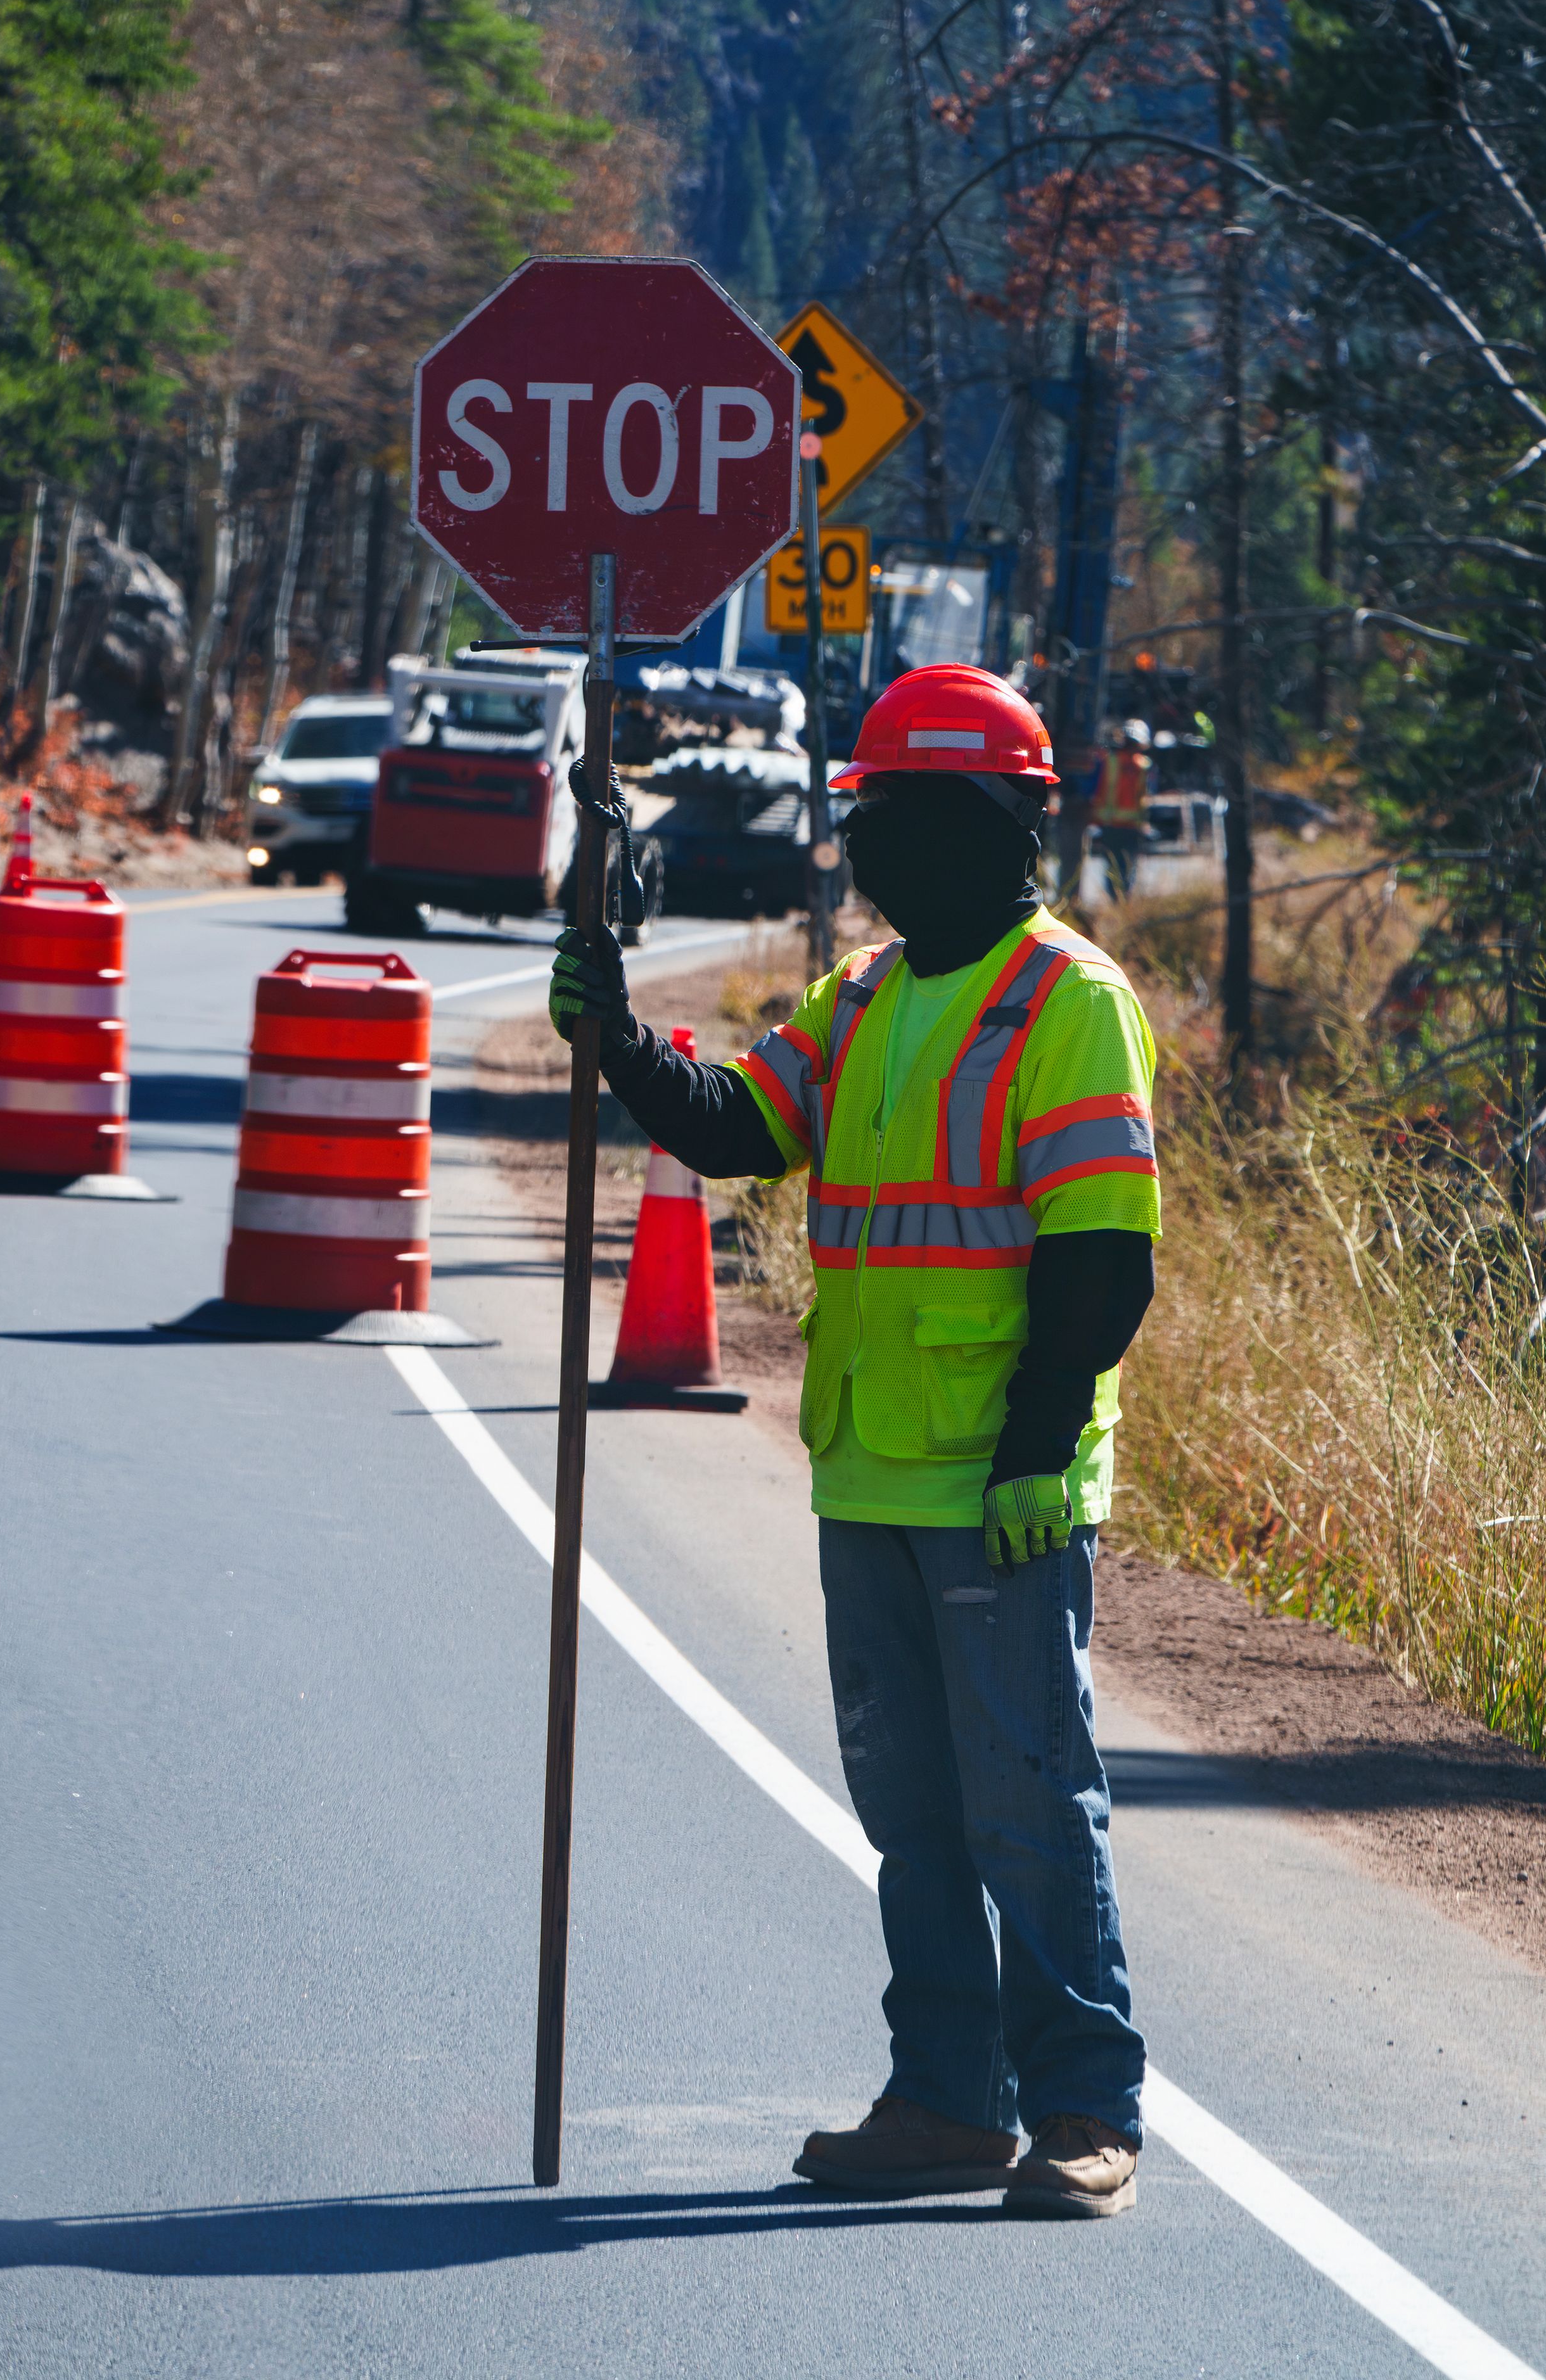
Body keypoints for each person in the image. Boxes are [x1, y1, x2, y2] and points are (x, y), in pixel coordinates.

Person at [550, 661, 1160, 2220]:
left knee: (1027, 1804)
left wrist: (1036, 1451)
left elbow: (1099, 1258)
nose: (872, 840)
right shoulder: (866, 994)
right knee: (911, 1813)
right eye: (867, 812)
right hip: (867, 1467)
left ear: (984, 821)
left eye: (896, 811)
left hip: (998, 1484)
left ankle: (1081, 2112)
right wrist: (617, 1038)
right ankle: (946, 2100)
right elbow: (739, 1125)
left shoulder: (1065, 1003)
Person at [1091, 723, 1153, 901]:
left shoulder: (1109, 761)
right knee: (1126, 868)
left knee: (1114, 867)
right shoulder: (1143, 765)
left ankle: (1116, 901)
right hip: (1129, 826)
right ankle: (1121, 901)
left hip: (1112, 824)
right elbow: (1143, 797)